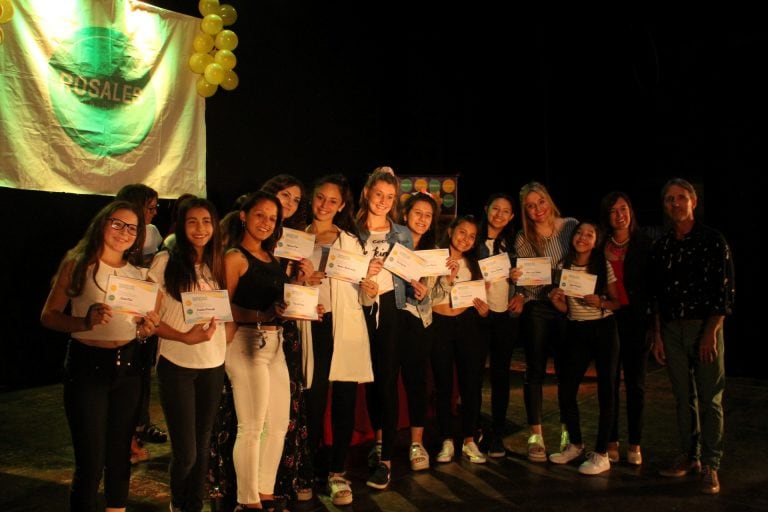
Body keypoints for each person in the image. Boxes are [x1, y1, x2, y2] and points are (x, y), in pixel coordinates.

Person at [40, 200, 160, 512]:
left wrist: (147, 330)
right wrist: (84, 321)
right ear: (102, 224)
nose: (124, 232)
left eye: (132, 228)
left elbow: (144, 326)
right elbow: (49, 316)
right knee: (91, 461)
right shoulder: (79, 265)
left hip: (129, 367)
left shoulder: (139, 276)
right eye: (117, 223)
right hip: (86, 368)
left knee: (120, 457)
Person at [650, 178, 735, 495]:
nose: (675, 203)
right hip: (671, 329)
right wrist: (657, 335)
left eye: (681, 197)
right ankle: (690, 456)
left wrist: (710, 333)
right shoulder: (662, 246)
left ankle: (712, 463)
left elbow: (724, 293)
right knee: (683, 398)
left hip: (705, 327)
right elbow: (657, 297)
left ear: (693, 201)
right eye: (669, 199)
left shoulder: (713, 240)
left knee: (710, 398)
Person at [149, 197, 230, 512]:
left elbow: (224, 314)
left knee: (204, 445)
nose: (200, 228)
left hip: (213, 364)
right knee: (187, 452)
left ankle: (193, 504)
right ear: (181, 226)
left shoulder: (217, 262)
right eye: (192, 221)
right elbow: (150, 321)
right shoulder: (165, 262)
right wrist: (185, 336)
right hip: (177, 365)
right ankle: (178, 501)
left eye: (207, 221)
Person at [302, 174, 378, 505]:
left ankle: (337, 472)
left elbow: (360, 291)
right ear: (311, 198)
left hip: (344, 325)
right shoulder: (294, 238)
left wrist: (368, 290)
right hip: (312, 323)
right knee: (313, 400)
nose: (325, 205)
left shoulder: (352, 241)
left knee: (345, 398)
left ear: (343, 205)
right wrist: (304, 283)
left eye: (333, 201)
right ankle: (305, 471)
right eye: (320, 197)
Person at [224, 191, 301, 510]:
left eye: (273, 218)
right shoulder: (234, 257)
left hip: (274, 342)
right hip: (243, 341)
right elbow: (222, 307)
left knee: (278, 424)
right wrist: (259, 315)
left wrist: (300, 306)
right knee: (252, 426)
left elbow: (279, 303)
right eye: (260, 215)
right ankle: (247, 500)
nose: (266, 223)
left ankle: (265, 492)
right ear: (244, 216)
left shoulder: (273, 259)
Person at [355, 166, 415, 490]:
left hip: (391, 310)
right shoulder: (351, 230)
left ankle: (387, 460)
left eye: (390, 197)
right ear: (367, 193)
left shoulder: (401, 232)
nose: (383, 201)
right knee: (370, 380)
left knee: (388, 382)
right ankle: (379, 443)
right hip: (359, 308)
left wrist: (419, 284)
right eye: (379, 194)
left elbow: (409, 271)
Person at [546, 221, 621, 475]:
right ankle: (575, 444)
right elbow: (567, 308)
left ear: (596, 240)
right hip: (575, 329)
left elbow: (616, 303)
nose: (583, 237)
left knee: (606, 390)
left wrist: (600, 301)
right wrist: (557, 303)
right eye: (579, 232)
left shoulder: (602, 265)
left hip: (603, 329)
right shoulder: (563, 265)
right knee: (566, 390)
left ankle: (602, 453)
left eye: (590, 234)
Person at [512, 181, 577, 462]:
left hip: (566, 306)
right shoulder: (523, 237)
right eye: (530, 205)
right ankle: (535, 435)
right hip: (537, 306)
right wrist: (518, 284)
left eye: (540, 202)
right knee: (535, 371)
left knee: (567, 372)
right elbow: (527, 281)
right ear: (524, 211)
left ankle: (568, 434)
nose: (537, 209)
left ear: (549, 200)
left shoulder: (571, 226)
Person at [260, 174, 314, 504]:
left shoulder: (295, 239)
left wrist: (303, 279)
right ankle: (251, 487)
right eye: (285, 195)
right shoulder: (256, 231)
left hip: (285, 329)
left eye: (296, 200)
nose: (290, 204)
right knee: (256, 414)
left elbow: (290, 291)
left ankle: (281, 480)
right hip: (253, 330)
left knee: (286, 410)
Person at [431, 215, 490, 465]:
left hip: (467, 324)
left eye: (472, 236)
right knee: (443, 384)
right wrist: (448, 279)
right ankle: (446, 440)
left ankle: (469, 440)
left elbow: (483, 299)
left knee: (470, 384)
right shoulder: (434, 256)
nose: (466, 239)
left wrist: (484, 310)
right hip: (439, 324)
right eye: (462, 232)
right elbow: (426, 294)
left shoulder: (474, 264)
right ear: (451, 230)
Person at [600, 191, 653, 466]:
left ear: (630, 211)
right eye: (613, 210)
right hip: (607, 318)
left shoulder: (645, 243)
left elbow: (654, 287)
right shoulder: (600, 245)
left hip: (636, 319)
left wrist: (655, 327)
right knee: (608, 383)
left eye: (624, 208)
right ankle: (611, 441)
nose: (619, 214)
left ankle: (635, 443)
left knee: (636, 384)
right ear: (607, 216)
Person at [115, 184, 167, 462]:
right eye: (150, 207)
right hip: (121, 309)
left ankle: (137, 431)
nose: (155, 213)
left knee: (141, 376)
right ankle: (126, 440)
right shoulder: (117, 235)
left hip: (145, 309)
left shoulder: (155, 233)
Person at [475, 193, 523, 457]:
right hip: (478, 314)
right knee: (474, 376)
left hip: (505, 316)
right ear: (487, 208)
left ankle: (497, 435)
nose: (500, 215)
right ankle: (473, 432)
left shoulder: (513, 243)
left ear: (512, 216)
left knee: (501, 376)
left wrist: (520, 290)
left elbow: (526, 276)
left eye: (506, 211)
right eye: (496, 209)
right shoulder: (473, 239)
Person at [399, 191, 443, 471]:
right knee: (385, 383)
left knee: (417, 383)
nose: (423, 219)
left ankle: (417, 443)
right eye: (418, 213)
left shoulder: (435, 252)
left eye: (428, 215)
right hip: (391, 319)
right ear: (405, 215)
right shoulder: (391, 244)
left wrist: (429, 291)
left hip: (419, 321)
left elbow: (438, 295)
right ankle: (381, 445)